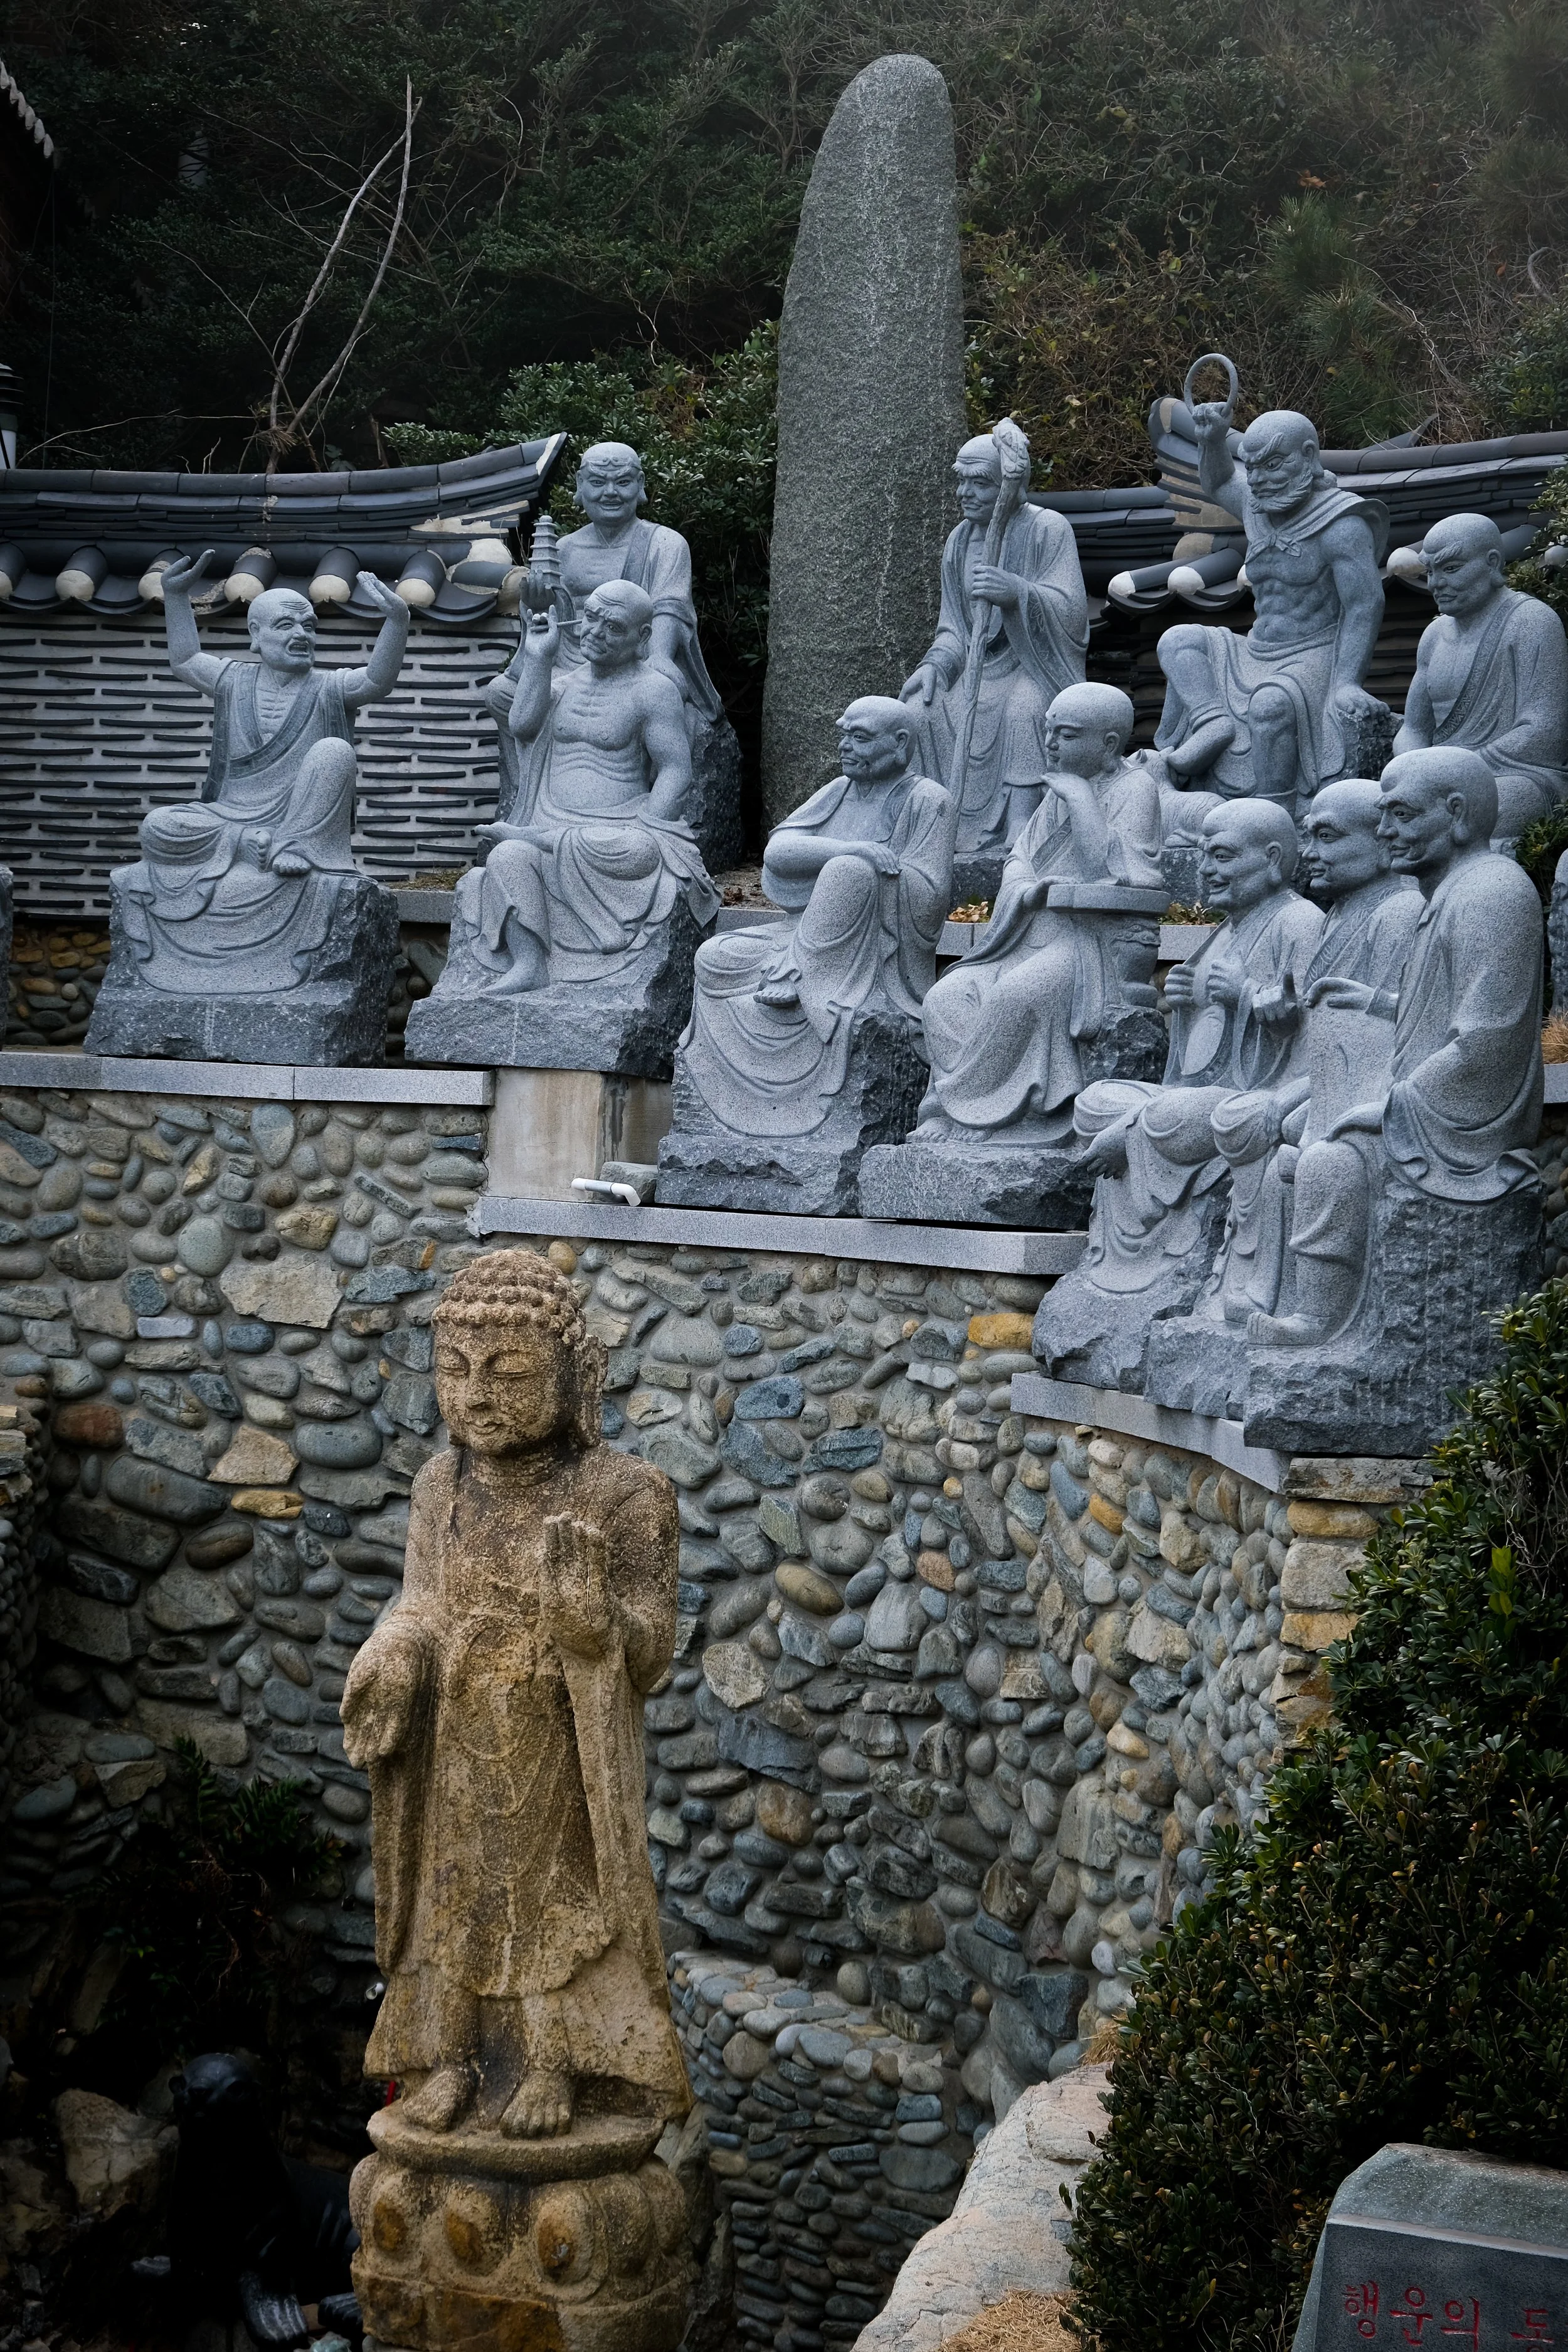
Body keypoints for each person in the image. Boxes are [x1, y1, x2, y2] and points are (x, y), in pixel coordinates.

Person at [341, 1250, 691, 2142]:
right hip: (457, 1734)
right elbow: (421, 1604)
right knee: (453, 1897)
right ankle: (453, 2060)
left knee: (552, 1905)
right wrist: (390, 1653)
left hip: (559, 1746)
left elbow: (652, 1651)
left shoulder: (623, 1493)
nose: (476, 1397)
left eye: (510, 1373)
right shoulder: (438, 1487)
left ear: (574, 1379)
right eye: (455, 1372)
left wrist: (595, 1623)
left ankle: (552, 2061)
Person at [1250, 748, 1544, 1348]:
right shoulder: (1449, 893)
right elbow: (1440, 1017)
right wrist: (1375, 1002)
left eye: (1402, 816)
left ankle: (1320, 1322)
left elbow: (1483, 1045)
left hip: (1466, 1125)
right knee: (1296, 1138)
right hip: (1426, 1096)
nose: (1386, 833)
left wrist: (1391, 1106)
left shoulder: (1493, 894)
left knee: (1328, 1159)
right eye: (1383, 816)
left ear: (1457, 814)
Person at [109, 548, 409, 992]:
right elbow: (186, 660)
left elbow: (376, 682)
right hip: (231, 818)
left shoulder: (328, 687)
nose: (302, 634)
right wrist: (175, 597)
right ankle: (247, 845)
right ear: (256, 635)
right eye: (286, 625)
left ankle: (295, 849)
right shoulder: (233, 679)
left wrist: (397, 622)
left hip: (297, 826)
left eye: (309, 626)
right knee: (159, 826)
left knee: (334, 752)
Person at [1068, 798, 1323, 1298]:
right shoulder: (1224, 930)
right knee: (1094, 1100)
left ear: (1273, 859)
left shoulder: (1300, 923)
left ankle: (1136, 1146)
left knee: (1168, 1117)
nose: (1206, 870)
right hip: (1204, 1093)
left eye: (1223, 856)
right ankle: (1132, 1133)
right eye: (1205, 855)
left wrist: (1247, 996)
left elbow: (1314, 1040)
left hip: (1258, 1095)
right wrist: (1185, 1010)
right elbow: (1195, 1064)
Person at [1191, 779, 1422, 1329]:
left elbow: (1400, 1029)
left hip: (1366, 1088)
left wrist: (1260, 1001)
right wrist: (1269, 1006)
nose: (1311, 854)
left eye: (1327, 837)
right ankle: (1260, 1288)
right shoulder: (1341, 915)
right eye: (1308, 836)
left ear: (1381, 839)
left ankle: (1290, 1301)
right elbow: (1309, 1026)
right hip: (1327, 1082)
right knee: (1269, 1132)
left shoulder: (1400, 911)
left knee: (1273, 1132)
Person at [673, 696, 955, 1138]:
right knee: (713, 957)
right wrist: (850, 850)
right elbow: (780, 851)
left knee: (850, 873)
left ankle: (798, 977)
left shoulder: (928, 800)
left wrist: (864, 876)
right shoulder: (839, 791)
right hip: (803, 932)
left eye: (859, 737)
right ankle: (792, 976)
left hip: (872, 948)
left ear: (900, 743)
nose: (844, 746)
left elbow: (931, 898)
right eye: (843, 734)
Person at [440, 578, 716, 998]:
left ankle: (543, 841)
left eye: (613, 627)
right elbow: (522, 726)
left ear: (643, 637)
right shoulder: (564, 684)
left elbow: (676, 770)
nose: (596, 633)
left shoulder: (654, 690)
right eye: (591, 618)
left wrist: (651, 826)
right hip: (555, 818)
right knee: (509, 855)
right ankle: (531, 964)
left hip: (617, 828)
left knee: (641, 853)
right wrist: (538, 658)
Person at [916, 682, 1163, 1139]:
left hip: (1092, 944)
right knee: (946, 998)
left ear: (1109, 744)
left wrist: (1083, 800)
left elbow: (1118, 874)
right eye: (1048, 732)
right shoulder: (1055, 794)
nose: (1049, 745)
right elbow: (1019, 861)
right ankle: (958, 1104)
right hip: (1028, 934)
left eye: (1066, 735)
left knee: (1016, 996)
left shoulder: (1136, 788)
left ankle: (985, 1114)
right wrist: (1028, 890)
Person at [1153, 403, 1387, 810]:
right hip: (1255, 649)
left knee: (1271, 705)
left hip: (1313, 653)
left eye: (1273, 465)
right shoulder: (1256, 505)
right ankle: (1212, 722)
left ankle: (1273, 812)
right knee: (1179, 639)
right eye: (1254, 466)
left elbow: (1364, 605)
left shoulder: (1341, 525)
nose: (1258, 480)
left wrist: (1346, 681)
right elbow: (1220, 480)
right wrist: (1211, 440)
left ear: (1309, 457)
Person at [901, 430, 1088, 856]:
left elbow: (1072, 612)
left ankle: (1022, 817)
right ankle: (927, 821)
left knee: (1025, 709)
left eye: (980, 482)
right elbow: (952, 628)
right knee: (917, 711)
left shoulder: (1047, 529)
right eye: (961, 481)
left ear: (1009, 484)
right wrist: (936, 666)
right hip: (976, 671)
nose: (966, 493)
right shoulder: (959, 542)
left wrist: (1018, 593)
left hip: (1031, 666)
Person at [1392, 512, 1568, 842]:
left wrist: (1460, 768)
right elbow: (1414, 728)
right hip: (1436, 779)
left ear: (1491, 563)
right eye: (1430, 572)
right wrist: (1411, 768)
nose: (1435, 584)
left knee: (1484, 811)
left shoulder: (1531, 622)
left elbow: (1545, 731)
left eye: (1451, 569)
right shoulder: (1434, 635)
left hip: (1513, 774)